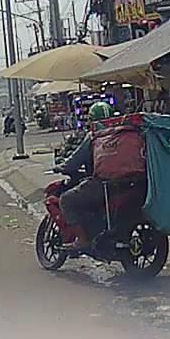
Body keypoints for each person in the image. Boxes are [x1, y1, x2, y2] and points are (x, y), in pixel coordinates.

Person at [58, 102, 116, 246]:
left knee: (66, 200)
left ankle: (82, 240)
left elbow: (75, 161)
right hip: (127, 183)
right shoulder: (122, 132)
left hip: (102, 184)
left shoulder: (93, 137)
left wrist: (62, 166)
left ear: (92, 120)